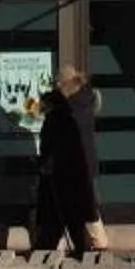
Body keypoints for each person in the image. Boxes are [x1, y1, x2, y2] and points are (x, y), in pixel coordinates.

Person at [34, 64, 102, 257]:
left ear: (62, 84)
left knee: (69, 210)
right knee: (84, 208)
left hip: (65, 165)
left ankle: (78, 247)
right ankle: (91, 243)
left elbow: (51, 139)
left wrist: (45, 164)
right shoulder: (86, 101)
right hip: (83, 164)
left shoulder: (65, 108)